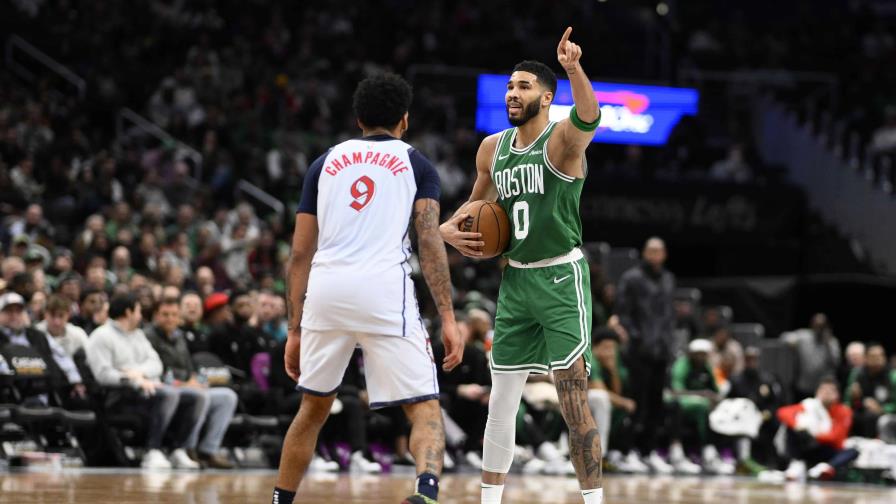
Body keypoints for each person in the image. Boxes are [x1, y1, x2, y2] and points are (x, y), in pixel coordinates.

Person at [273, 73, 463, 504]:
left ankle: (280, 500)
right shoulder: (417, 163)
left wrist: (295, 329)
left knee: (313, 408)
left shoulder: (324, 163)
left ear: (358, 119)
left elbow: (299, 254)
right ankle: (426, 492)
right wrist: (448, 317)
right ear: (405, 120)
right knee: (423, 406)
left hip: (326, 290)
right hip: (382, 291)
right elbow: (429, 239)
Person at [440, 27, 604, 504]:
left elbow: (589, 116)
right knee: (501, 399)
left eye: (524, 86)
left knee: (573, 399)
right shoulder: (493, 148)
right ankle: (489, 501)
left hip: (559, 277)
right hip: (515, 279)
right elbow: (472, 212)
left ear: (547, 98)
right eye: (510, 87)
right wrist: (448, 230)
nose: (513, 93)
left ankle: (594, 500)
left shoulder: (561, 140)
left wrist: (574, 68)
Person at [85, 294, 206, 470]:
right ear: (128, 312)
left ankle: (177, 449)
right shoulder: (101, 336)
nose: (141, 316)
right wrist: (134, 380)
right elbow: (103, 375)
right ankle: (153, 450)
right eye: (139, 311)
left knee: (196, 397)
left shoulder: (138, 335)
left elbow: (157, 364)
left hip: (146, 389)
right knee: (168, 394)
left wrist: (138, 373)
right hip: (117, 396)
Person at [145, 297, 239, 469]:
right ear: (156, 316)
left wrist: (197, 379)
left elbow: (190, 367)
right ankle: (187, 448)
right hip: (165, 387)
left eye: (174, 315)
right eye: (165, 314)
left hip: (185, 385)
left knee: (227, 396)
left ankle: (208, 450)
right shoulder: (148, 337)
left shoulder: (178, 337)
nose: (170, 319)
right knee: (199, 396)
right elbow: (158, 371)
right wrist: (185, 383)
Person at [615, 237, 676, 473]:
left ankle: (649, 452)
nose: (654, 255)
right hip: (639, 352)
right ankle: (626, 451)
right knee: (636, 403)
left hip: (661, 351)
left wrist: (668, 342)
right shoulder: (632, 278)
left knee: (655, 405)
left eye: (658, 251)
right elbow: (623, 312)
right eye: (650, 251)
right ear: (644, 253)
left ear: (664, 254)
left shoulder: (669, 279)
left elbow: (669, 315)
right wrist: (636, 338)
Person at [778, 377, 856, 481]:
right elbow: (783, 412)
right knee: (791, 429)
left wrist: (815, 434)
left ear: (837, 394)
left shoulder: (844, 411)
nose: (826, 393)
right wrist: (798, 426)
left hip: (828, 449)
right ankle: (796, 465)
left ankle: (826, 468)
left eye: (830, 390)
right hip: (807, 446)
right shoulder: (810, 405)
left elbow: (836, 438)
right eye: (823, 390)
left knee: (853, 451)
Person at [783, 314, 841, 400]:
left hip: (822, 388)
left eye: (821, 326)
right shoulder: (803, 336)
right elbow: (784, 337)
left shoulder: (832, 342)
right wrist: (791, 342)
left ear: (826, 327)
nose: (819, 329)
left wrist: (827, 345)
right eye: (817, 326)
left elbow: (836, 363)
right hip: (803, 386)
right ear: (812, 325)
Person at [845, 343, 896, 440]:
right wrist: (854, 398)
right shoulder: (857, 374)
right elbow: (847, 402)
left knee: (876, 419)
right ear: (865, 358)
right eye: (874, 356)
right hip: (862, 412)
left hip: (887, 415)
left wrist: (882, 409)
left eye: (881, 355)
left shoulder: (892, 376)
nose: (878, 359)